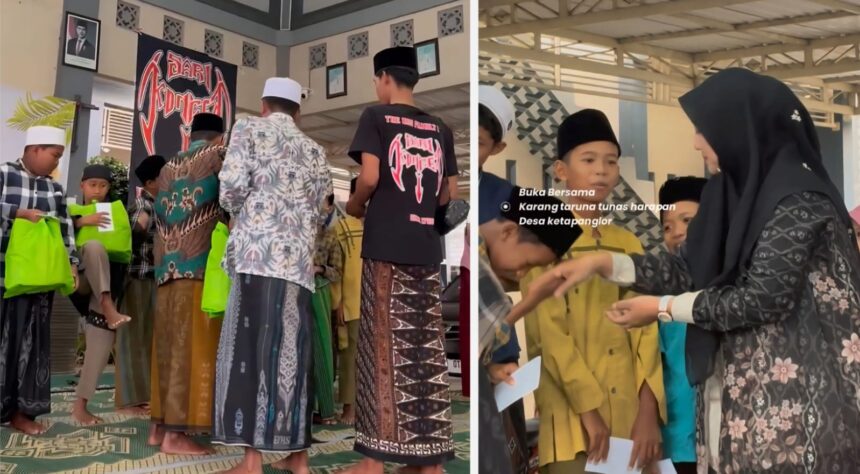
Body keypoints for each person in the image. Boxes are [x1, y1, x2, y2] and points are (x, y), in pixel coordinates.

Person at [528, 68, 860, 473]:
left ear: (738, 128)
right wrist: (605, 263)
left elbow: (763, 299)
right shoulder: (730, 195)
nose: (696, 142)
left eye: (705, 128)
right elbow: (687, 269)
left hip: (802, 406)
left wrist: (663, 308)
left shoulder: (798, 201)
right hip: (739, 408)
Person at [518, 109, 665, 474]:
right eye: (588, 160)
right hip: (572, 419)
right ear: (561, 170)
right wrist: (588, 410)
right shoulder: (543, 236)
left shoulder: (626, 241)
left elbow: (646, 333)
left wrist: (648, 414)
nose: (601, 170)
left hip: (631, 421)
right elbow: (549, 335)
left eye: (610, 161)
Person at [341, 46, 458, 474]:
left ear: (385, 78)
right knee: (423, 352)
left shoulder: (376, 117)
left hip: (386, 245)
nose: (377, 87)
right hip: (426, 250)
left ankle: (372, 462)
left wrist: (354, 206)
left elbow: (370, 176)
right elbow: (449, 197)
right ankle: (429, 463)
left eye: (376, 80)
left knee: (380, 348)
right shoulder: (440, 127)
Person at [212, 76, 332, 474]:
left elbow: (229, 187)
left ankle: (252, 462)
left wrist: (242, 214)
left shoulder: (248, 127)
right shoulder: (315, 149)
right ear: (298, 110)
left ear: (264, 104)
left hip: (256, 256)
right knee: (293, 357)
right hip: (297, 265)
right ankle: (298, 459)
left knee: (251, 355)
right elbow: (323, 209)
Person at [150, 112, 226, 455]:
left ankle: (159, 427)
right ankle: (176, 436)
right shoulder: (216, 157)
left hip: (165, 269)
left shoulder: (167, 166)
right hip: (197, 268)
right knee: (189, 348)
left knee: (166, 346)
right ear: (219, 137)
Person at [0, 126, 79, 435]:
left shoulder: (54, 190)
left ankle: (23, 414)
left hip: (38, 279)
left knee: (30, 346)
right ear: (34, 149)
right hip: (4, 274)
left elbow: (65, 229)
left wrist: (72, 264)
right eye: (54, 155)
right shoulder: (5, 174)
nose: (56, 163)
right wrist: (18, 213)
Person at [70, 164, 132, 425]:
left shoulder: (115, 212)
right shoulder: (68, 209)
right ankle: (107, 304)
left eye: (103, 185)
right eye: (92, 184)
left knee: (101, 339)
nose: (97, 190)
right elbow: (53, 233)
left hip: (106, 281)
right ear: (82, 185)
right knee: (94, 245)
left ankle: (80, 406)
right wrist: (82, 221)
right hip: (79, 278)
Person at [656, 176, 708, 474]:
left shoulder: (735, 289)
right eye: (667, 226)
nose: (677, 233)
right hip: (675, 440)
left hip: (727, 435)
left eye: (687, 220)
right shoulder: (656, 292)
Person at [114, 155, 166, 416]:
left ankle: (143, 394)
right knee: (132, 339)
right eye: (163, 176)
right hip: (137, 280)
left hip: (153, 280)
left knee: (148, 338)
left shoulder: (159, 205)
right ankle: (129, 400)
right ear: (150, 182)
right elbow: (134, 241)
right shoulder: (141, 207)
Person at [331, 178, 364, 426]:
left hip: (378, 305)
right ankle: (349, 408)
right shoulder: (342, 227)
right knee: (350, 358)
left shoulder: (382, 226)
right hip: (352, 303)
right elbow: (337, 268)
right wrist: (338, 302)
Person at [311, 193, 341, 426]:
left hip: (319, 291)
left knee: (321, 348)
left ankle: (326, 410)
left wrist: (319, 269)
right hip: (296, 290)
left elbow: (337, 271)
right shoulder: (297, 229)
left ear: (330, 206)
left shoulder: (331, 236)